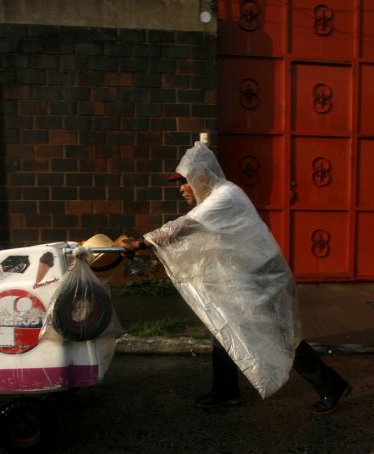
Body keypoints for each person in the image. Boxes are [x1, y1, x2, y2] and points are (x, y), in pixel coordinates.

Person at [121, 141, 351, 414]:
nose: (180, 189)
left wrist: (142, 243)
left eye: (184, 182)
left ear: (202, 176)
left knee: (282, 336)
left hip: (261, 279)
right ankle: (226, 391)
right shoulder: (213, 199)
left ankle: (331, 385)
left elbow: (186, 226)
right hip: (241, 278)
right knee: (223, 328)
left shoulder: (225, 196)